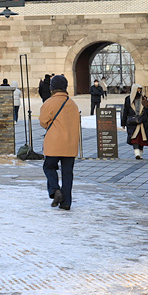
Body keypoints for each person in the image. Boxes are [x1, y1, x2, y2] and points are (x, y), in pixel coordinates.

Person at [39, 73, 80, 211]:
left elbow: (43, 122)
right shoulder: (72, 104)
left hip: (54, 144)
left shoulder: (49, 103)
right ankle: (66, 203)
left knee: (49, 167)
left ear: (52, 88)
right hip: (70, 144)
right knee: (68, 173)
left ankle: (55, 190)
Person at [122, 85, 148, 159]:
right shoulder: (128, 99)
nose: (139, 91)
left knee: (142, 138)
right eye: (138, 90)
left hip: (143, 122)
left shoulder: (143, 98)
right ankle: (137, 154)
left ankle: (140, 154)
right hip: (132, 122)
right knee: (134, 138)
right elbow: (125, 111)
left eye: (140, 90)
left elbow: (147, 110)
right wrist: (123, 123)